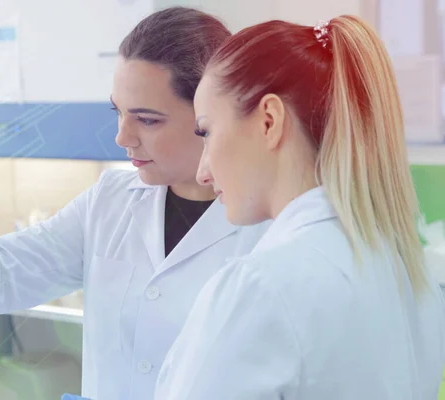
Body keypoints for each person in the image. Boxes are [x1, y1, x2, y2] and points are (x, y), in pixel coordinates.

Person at [0, 7, 270, 400]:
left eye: (147, 119)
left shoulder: (270, 227)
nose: (122, 137)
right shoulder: (109, 202)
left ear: (209, 113)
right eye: (118, 112)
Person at [154, 15, 445, 399]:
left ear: (269, 121)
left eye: (207, 132)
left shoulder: (259, 287)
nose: (203, 172)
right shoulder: (411, 272)